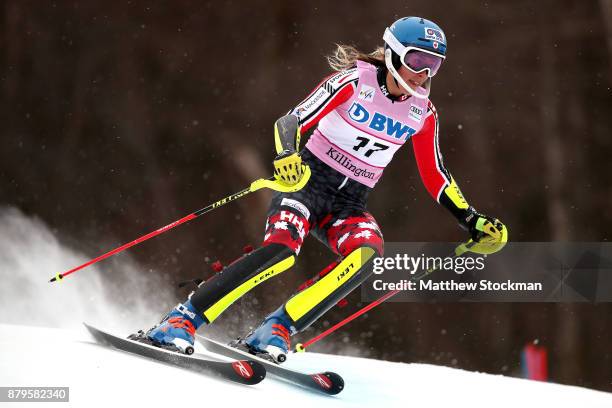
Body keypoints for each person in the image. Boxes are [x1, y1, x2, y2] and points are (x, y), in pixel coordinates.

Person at [140, 16, 508, 363]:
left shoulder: (423, 113)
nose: (424, 73)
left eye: (434, 64)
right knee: (282, 251)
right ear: (393, 53)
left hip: (348, 204)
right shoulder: (355, 82)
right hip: (307, 184)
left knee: (367, 254)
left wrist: (471, 220)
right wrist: (287, 154)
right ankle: (183, 318)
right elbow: (292, 120)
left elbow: (435, 173)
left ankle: (277, 328)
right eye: (417, 60)